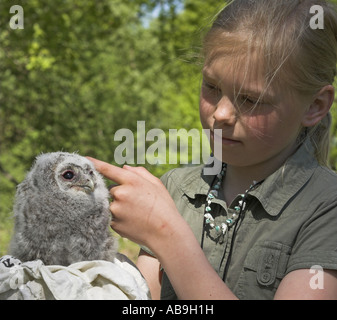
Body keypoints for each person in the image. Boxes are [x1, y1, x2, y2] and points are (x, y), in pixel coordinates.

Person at [88, 0, 337, 299]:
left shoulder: (327, 209)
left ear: (315, 106)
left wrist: (167, 237)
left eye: (250, 99)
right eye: (211, 86)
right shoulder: (175, 190)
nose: (220, 114)